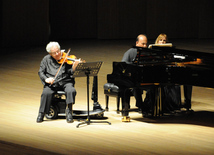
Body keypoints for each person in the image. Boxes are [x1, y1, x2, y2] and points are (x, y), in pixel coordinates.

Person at [37, 42, 81, 123]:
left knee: (71, 90)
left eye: (58, 51)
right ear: (50, 53)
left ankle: (69, 112)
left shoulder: (66, 58)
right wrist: (46, 79)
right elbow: (41, 72)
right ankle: (41, 113)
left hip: (66, 81)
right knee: (46, 93)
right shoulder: (46, 59)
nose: (58, 54)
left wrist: (74, 68)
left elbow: (70, 72)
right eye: (54, 53)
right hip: (52, 83)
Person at [155, 33, 193, 111]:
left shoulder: (170, 53)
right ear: (157, 41)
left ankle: (179, 104)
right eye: (161, 40)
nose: (162, 42)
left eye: (164, 40)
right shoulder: (154, 51)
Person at [121, 34, 152, 115]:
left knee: (153, 87)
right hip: (132, 79)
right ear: (137, 43)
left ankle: (149, 105)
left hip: (145, 77)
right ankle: (141, 105)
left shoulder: (148, 53)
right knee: (135, 86)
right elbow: (123, 65)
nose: (145, 46)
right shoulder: (130, 52)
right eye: (143, 44)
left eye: (146, 44)